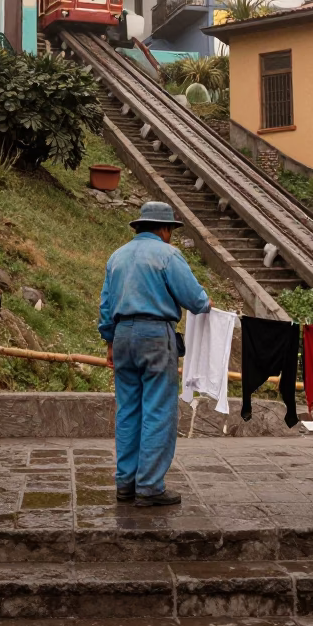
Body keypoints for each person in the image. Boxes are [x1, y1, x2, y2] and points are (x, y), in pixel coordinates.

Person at [98, 200, 211, 507]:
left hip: (122, 336)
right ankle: (149, 486)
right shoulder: (168, 255)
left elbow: (106, 306)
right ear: (164, 229)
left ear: (140, 227)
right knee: (158, 410)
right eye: (171, 230)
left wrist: (110, 341)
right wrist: (206, 301)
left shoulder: (117, 257)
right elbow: (195, 299)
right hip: (155, 335)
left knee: (128, 409)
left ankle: (125, 483)